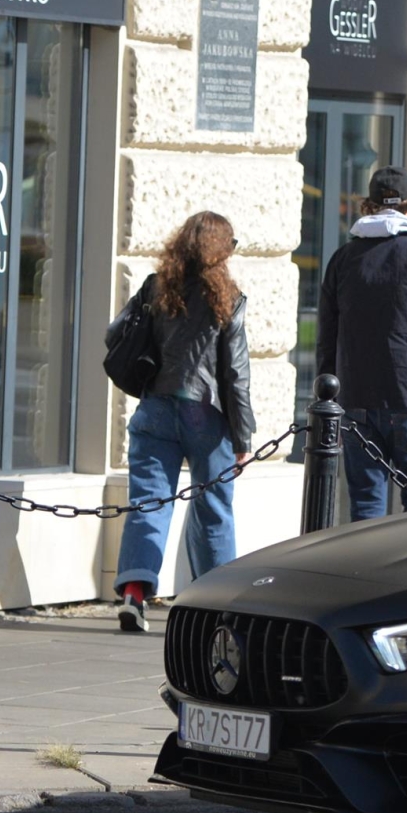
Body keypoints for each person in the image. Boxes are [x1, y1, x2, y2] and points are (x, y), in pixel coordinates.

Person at [109, 211, 254, 634]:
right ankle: (217, 608)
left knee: (148, 504)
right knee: (213, 509)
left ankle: (134, 596)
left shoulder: (156, 288)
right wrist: (243, 435)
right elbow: (236, 374)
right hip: (205, 415)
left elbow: (115, 334)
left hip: (155, 407)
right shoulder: (227, 299)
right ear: (220, 253)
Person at [316, 165, 407, 519]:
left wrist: (328, 402)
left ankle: (365, 572)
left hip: (356, 398)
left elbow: (327, 337)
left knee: (365, 502)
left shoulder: (343, 259)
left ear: (368, 205)